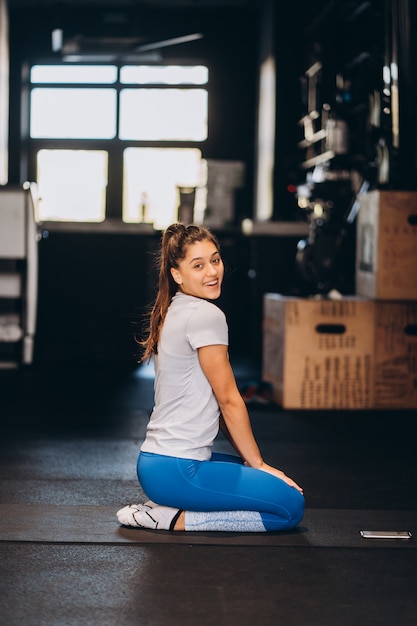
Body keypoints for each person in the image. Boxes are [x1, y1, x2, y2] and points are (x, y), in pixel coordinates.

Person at [117, 223, 304, 532]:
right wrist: (258, 465)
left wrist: (252, 463)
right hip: (178, 470)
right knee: (289, 507)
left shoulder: (175, 309)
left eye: (215, 260)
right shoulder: (206, 316)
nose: (211, 272)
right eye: (198, 265)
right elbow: (229, 400)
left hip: (158, 466)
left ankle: (163, 507)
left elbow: (217, 406)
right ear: (177, 274)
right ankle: (171, 518)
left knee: (255, 475)